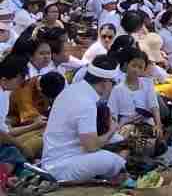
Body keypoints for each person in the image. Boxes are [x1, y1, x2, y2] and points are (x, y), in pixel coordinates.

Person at [41, 55, 128, 183]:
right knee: (113, 161)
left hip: (63, 155)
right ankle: (116, 177)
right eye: (113, 83)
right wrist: (112, 130)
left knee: (118, 140)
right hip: (60, 167)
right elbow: (91, 146)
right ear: (105, 83)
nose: (113, 87)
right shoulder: (86, 102)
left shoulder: (74, 89)